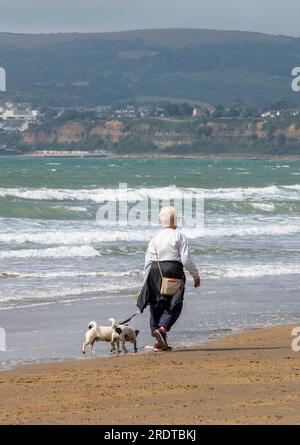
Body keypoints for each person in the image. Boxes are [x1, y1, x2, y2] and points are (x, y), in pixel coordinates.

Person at [137, 206, 200, 351]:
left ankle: (159, 343)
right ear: (172, 220)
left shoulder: (154, 238)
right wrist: (195, 276)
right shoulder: (179, 236)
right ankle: (163, 329)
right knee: (174, 304)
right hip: (173, 271)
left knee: (156, 305)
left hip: (154, 271)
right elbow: (186, 259)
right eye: (176, 217)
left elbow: (147, 263)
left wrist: (145, 284)